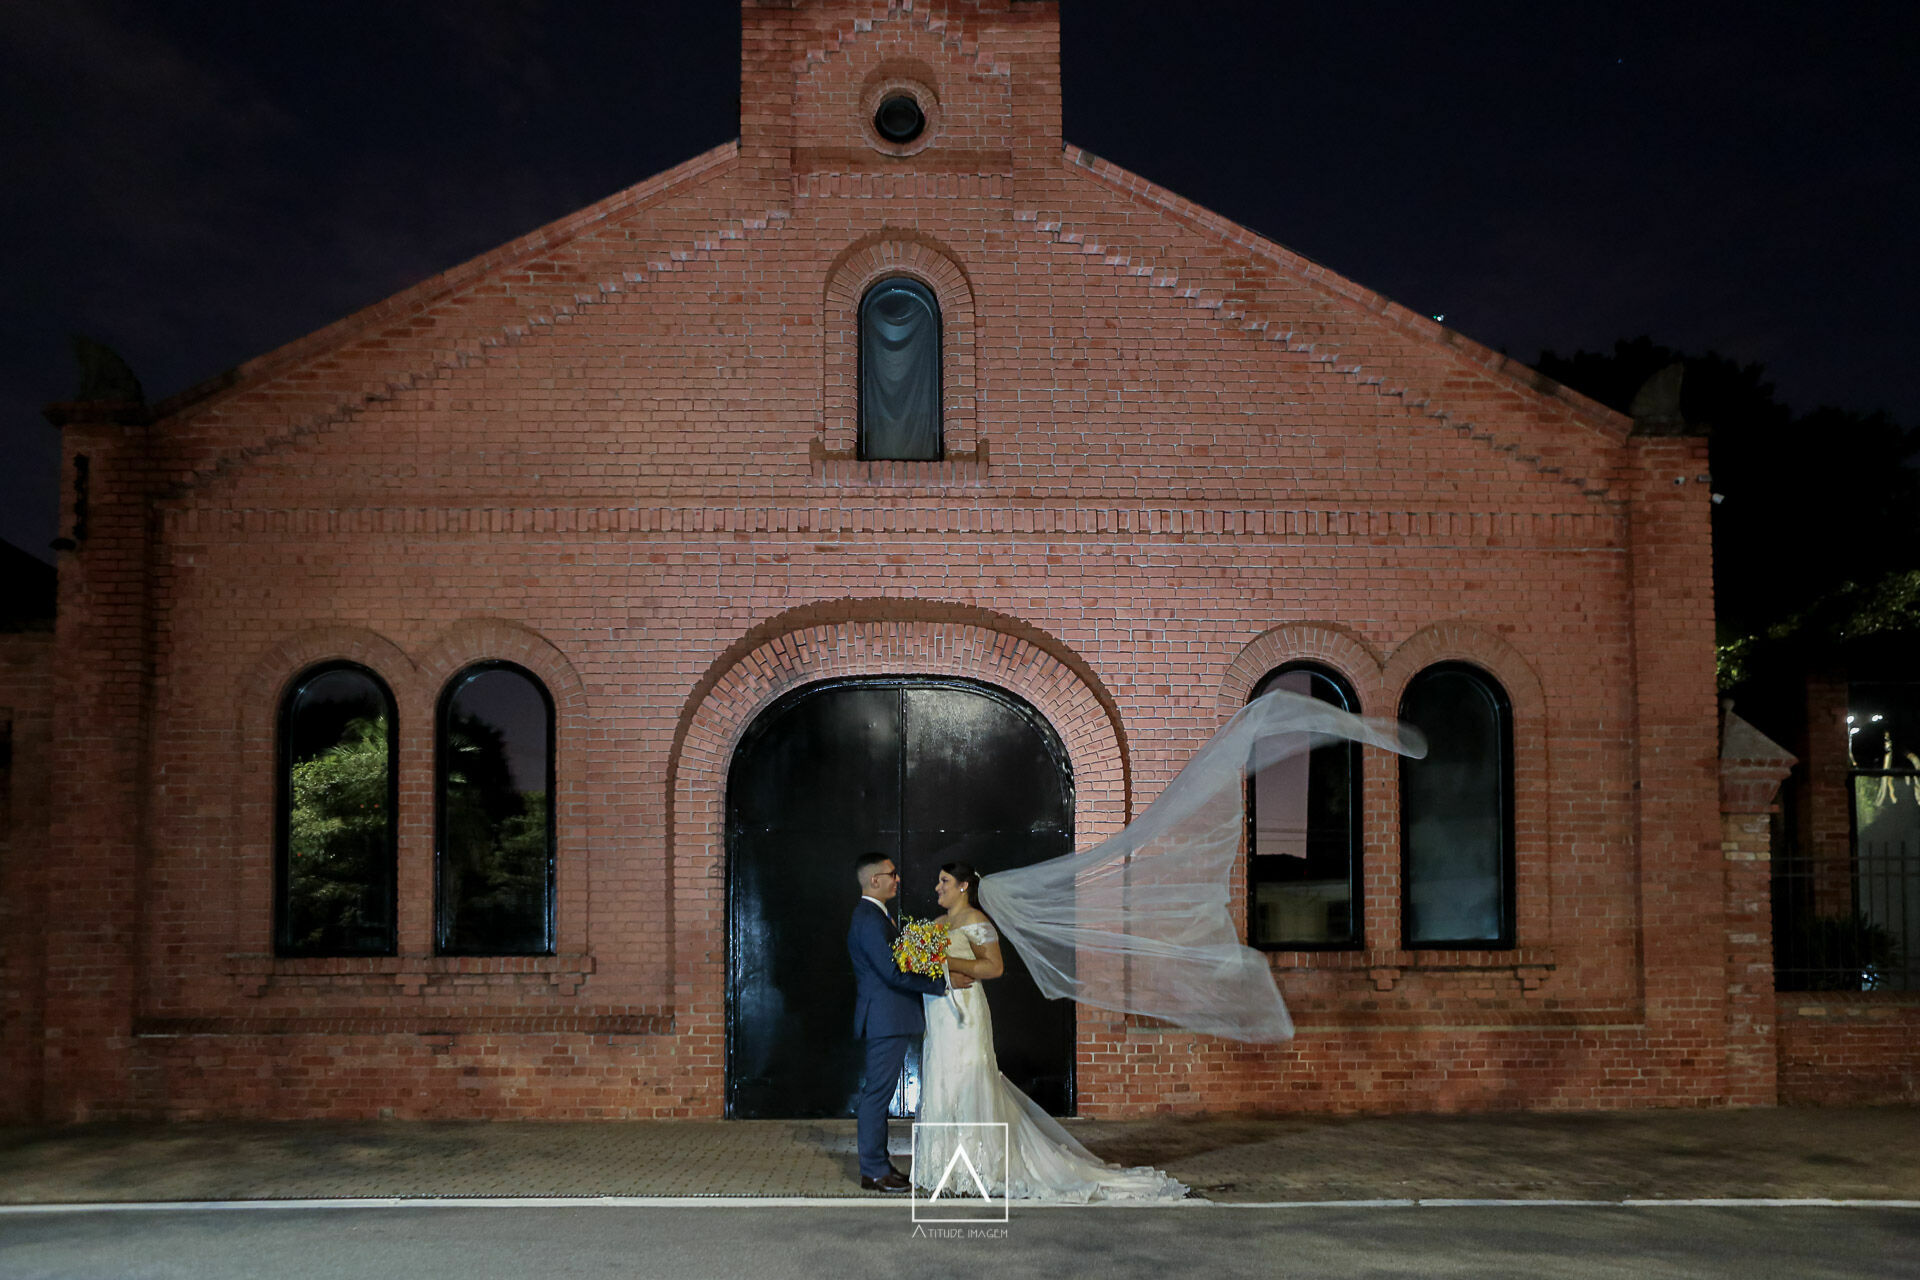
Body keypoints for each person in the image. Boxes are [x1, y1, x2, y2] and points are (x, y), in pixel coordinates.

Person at [913, 860, 1187, 1202]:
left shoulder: (976, 921)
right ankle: (942, 1169)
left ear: (963, 886)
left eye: (944, 881)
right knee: (941, 1076)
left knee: (968, 1077)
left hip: (965, 1012)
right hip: (939, 1012)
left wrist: (947, 962)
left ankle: (978, 1167)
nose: (938, 887)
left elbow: (994, 967)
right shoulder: (937, 923)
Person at [846, 851, 969, 1193]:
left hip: (890, 1017)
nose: (897, 879)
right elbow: (890, 972)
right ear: (875, 880)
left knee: (879, 1093)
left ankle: (880, 1165)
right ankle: (872, 1171)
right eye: (891, 874)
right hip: (885, 1018)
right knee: (877, 1095)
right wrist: (941, 982)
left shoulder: (876, 916)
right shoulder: (869, 919)